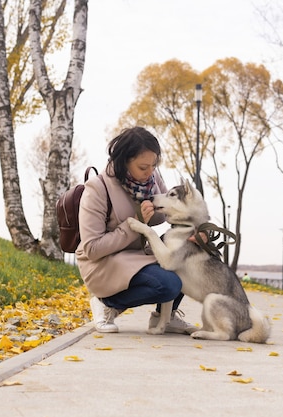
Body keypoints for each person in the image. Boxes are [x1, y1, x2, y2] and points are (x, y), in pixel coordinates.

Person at [75, 126, 197, 334]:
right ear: (124, 162)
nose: (150, 172)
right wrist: (136, 223)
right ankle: (107, 303)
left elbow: (161, 216)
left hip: (138, 254)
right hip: (105, 262)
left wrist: (195, 228)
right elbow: (92, 248)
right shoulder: (97, 188)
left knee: (190, 252)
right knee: (168, 284)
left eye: (154, 165)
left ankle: (164, 317)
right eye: (143, 167)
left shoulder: (151, 178)